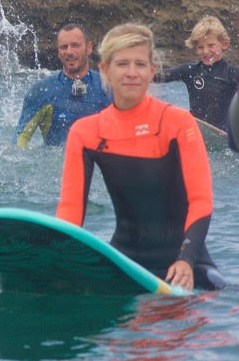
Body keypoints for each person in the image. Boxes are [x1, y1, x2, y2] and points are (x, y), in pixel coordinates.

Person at [58, 24, 225, 291]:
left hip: (188, 265)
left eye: (140, 64)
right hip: (125, 264)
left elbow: (201, 200)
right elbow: (70, 211)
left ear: (152, 72)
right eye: (122, 64)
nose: (132, 73)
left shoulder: (177, 122)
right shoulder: (85, 132)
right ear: (105, 70)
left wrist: (186, 261)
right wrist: (53, 262)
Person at [16, 24, 112, 147]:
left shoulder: (108, 88)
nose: (69, 52)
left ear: (89, 48)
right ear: (58, 52)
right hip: (55, 163)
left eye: (75, 45)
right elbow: (20, 140)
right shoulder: (41, 91)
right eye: (64, 47)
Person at [158, 16, 239, 130]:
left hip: (222, 134)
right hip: (195, 128)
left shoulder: (233, 73)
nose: (205, 51)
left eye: (211, 45)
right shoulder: (190, 70)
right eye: (200, 47)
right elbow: (161, 76)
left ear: (224, 44)